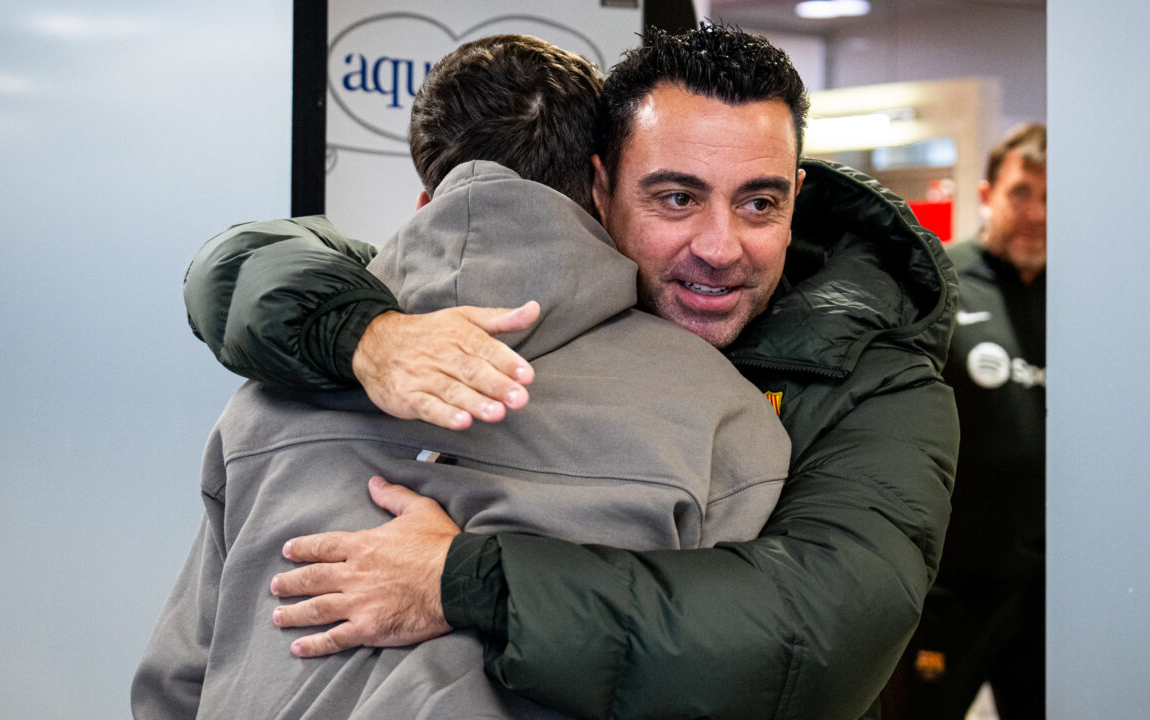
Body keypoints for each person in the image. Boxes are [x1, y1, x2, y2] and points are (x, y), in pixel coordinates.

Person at [181, 24, 960, 720]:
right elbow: (251, 265)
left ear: (797, 195)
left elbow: (815, 634)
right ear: (598, 190)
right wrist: (364, 333)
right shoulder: (411, 333)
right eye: (678, 198)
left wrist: (467, 579)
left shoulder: (876, 384)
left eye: (758, 204)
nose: (721, 247)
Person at [882, 123, 1047, 719]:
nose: (1037, 213)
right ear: (986, 195)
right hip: (951, 590)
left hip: (1049, 594)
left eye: (1053, 197)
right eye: (1022, 193)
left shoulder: (1085, 295)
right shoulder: (939, 284)